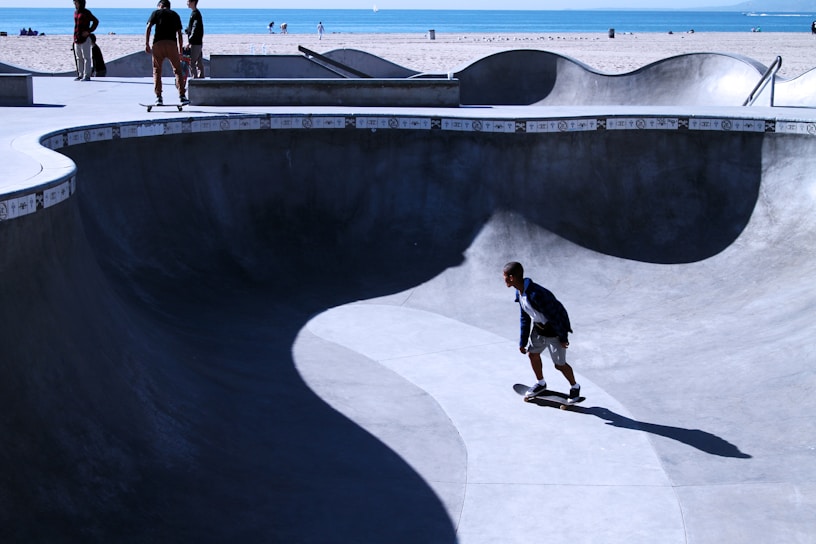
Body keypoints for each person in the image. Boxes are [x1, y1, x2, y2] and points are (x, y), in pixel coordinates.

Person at [502, 261, 581, 401]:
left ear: (512, 277)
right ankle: (541, 383)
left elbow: (556, 315)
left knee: (560, 365)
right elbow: (525, 317)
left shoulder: (537, 294)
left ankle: (575, 387)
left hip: (553, 331)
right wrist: (523, 341)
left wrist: (563, 337)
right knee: (532, 355)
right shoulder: (519, 292)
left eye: (505, 276)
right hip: (538, 330)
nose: (504, 279)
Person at [145, 0, 187, 106]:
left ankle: (158, 97)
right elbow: (179, 34)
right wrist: (180, 51)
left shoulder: (156, 13)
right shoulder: (175, 14)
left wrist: (146, 44)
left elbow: (148, 27)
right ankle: (182, 96)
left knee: (157, 71)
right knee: (177, 70)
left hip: (158, 44)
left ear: (160, 5)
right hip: (171, 44)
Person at [72, 0, 99, 82]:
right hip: (77, 37)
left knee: (86, 57)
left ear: (80, 3)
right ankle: (80, 75)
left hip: (85, 38)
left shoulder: (86, 12)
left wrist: (89, 31)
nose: (75, 4)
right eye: (74, 3)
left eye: (76, 2)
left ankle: (87, 75)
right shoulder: (76, 12)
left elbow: (96, 21)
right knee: (78, 57)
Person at [185, 0, 204, 79]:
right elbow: (193, 27)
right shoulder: (194, 13)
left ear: (193, 2)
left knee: (191, 61)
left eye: (188, 1)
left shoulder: (196, 14)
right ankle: (201, 77)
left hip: (195, 42)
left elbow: (195, 28)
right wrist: (187, 30)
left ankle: (195, 78)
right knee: (198, 61)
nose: (187, 3)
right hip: (198, 41)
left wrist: (190, 41)